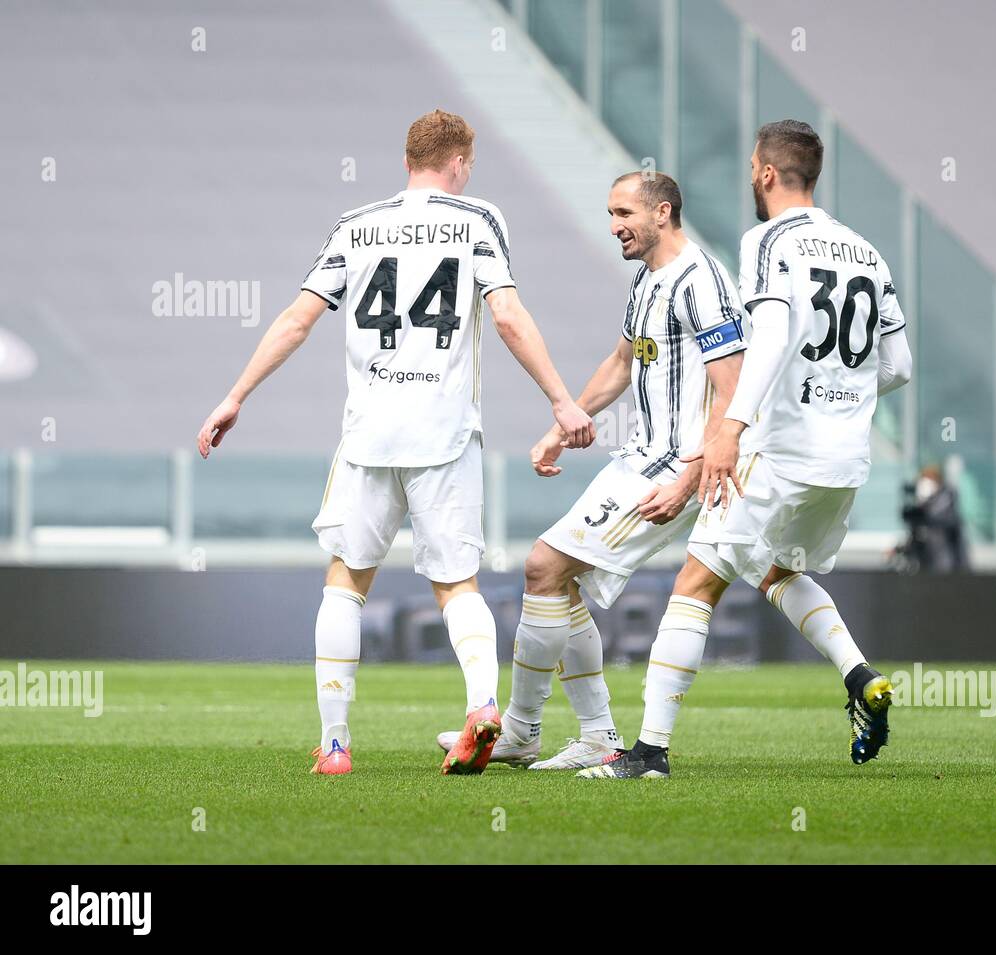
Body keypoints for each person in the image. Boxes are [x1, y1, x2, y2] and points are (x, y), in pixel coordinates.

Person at [195, 109, 593, 777]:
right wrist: (560, 397)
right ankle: (480, 708)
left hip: (368, 435)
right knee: (456, 583)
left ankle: (335, 745)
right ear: (458, 163)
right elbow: (507, 316)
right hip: (443, 433)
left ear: (407, 160)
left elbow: (297, 320)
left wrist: (235, 395)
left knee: (346, 582)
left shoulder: (357, 225)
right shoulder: (476, 220)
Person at [581, 121, 913, 780]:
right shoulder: (866, 252)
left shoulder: (769, 240)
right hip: (843, 459)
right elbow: (898, 364)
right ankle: (860, 676)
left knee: (695, 583)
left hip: (781, 445)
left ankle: (648, 753)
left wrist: (730, 427)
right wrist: (838, 392)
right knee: (774, 569)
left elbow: (774, 334)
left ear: (764, 172)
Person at [437, 171, 745, 770]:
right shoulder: (646, 279)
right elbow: (623, 360)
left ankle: (521, 731)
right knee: (558, 581)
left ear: (663, 211)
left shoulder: (702, 281)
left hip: (670, 470)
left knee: (542, 566)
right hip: (635, 457)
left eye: (624, 213)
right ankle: (597, 736)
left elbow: (732, 387)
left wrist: (689, 475)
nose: (614, 227)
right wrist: (564, 422)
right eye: (609, 214)